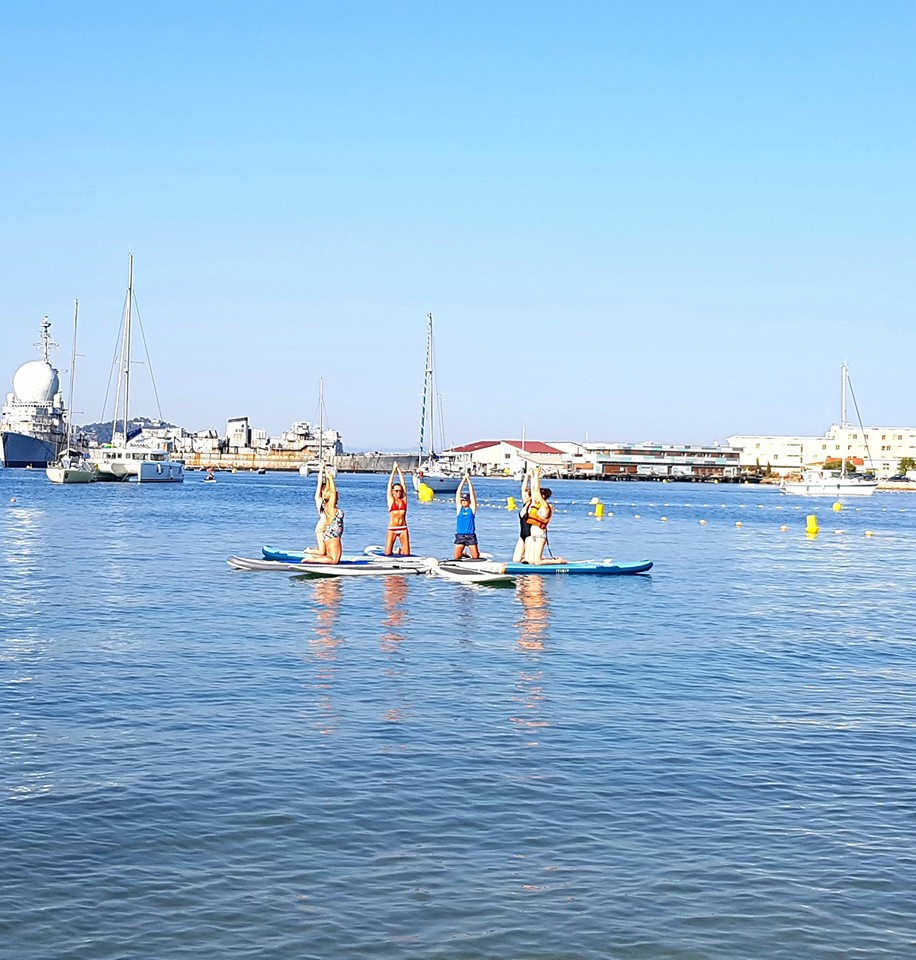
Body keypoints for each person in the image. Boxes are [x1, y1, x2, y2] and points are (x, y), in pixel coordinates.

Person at [525, 468, 564, 565]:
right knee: (531, 561)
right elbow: (534, 491)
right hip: (533, 536)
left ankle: (558, 561)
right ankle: (545, 559)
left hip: (540, 536)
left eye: (540, 495)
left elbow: (537, 492)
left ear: (543, 497)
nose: (536, 496)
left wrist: (537, 476)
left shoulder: (546, 507)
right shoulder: (535, 504)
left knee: (537, 562)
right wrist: (533, 476)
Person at [308, 470, 344, 564]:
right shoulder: (330, 507)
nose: (337, 497)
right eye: (336, 496)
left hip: (332, 534)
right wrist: (330, 477)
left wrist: (328, 478)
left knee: (332, 558)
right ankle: (312, 559)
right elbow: (332, 492)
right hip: (332, 535)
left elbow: (331, 491)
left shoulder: (329, 506)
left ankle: (315, 559)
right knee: (334, 560)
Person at [385, 463, 410, 556]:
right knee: (387, 553)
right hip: (392, 528)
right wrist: (393, 470)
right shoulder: (391, 500)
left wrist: (399, 469)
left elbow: (403, 484)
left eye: (400, 491)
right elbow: (389, 485)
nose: (398, 492)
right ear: (393, 491)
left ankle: (399, 551)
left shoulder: (403, 500)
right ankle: (395, 551)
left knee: (406, 554)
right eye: (396, 491)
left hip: (403, 528)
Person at [306, 462, 330, 556]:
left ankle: (316, 549)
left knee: (325, 551)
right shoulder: (318, 499)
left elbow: (329, 486)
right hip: (321, 527)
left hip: (328, 527)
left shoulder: (328, 501)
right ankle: (308, 551)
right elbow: (320, 482)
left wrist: (328, 473)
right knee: (322, 552)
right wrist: (322, 469)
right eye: (324, 490)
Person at [453, 474, 480, 559]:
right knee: (456, 557)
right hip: (460, 536)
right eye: (463, 500)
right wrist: (463, 480)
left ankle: (466, 554)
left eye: (465, 500)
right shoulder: (459, 509)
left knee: (475, 557)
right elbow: (458, 493)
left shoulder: (471, 509)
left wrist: (468, 480)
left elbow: (472, 494)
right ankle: (463, 554)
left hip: (470, 536)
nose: (464, 502)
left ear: (469, 501)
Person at [512, 467, 534, 563]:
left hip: (531, 536)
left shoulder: (533, 505)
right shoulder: (524, 505)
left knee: (528, 561)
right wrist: (527, 476)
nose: (524, 497)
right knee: (516, 560)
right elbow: (523, 488)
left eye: (526, 496)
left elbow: (534, 490)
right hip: (522, 535)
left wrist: (534, 477)